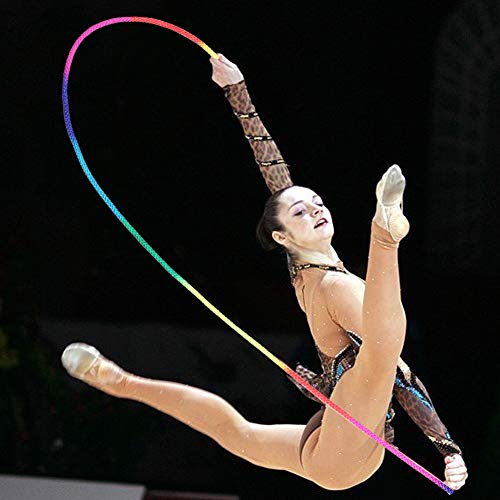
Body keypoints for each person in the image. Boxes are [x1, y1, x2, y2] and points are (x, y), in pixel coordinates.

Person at [60, 54, 468, 492]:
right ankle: (384, 235)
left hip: (333, 442)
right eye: (302, 210)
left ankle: (123, 382)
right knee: (381, 358)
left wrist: (237, 92)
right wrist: (446, 446)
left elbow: (277, 178)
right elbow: (400, 373)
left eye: (317, 203)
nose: (314, 208)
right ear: (281, 237)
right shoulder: (332, 285)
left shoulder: (305, 268)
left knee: (241, 434)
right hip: (347, 444)